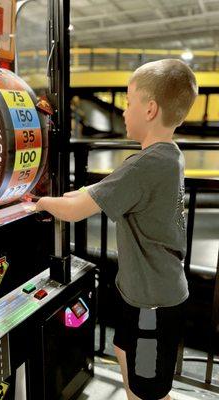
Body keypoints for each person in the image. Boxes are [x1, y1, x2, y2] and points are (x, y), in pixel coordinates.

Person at [35, 58, 198, 400]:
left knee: (146, 391)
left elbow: (78, 210)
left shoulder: (145, 165)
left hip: (151, 304)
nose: (123, 111)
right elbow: (98, 193)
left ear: (150, 109)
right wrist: (76, 195)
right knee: (124, 351)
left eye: (128, 101)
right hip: (148, 293)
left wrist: (37, 202)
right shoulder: (169, 155)